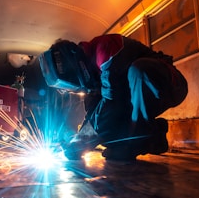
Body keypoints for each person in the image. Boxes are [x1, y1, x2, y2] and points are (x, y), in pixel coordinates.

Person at [39, 34, 188, 161]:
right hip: (138, 94)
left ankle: (137, 141)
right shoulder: (93, 77)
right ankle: (154, 136)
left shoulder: (104, 50)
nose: (73, 89)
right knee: (108, 134)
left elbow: (111, 103)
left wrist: (83, 141)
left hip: (170, 83)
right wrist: (78, 141)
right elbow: (94, 115)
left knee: (139, 70)